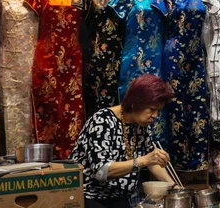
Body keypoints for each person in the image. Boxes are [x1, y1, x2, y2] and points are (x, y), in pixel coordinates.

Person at [70, 74, 175, 208]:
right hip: (88, 196)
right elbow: (101, 171)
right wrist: (144, 160)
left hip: (119, 197)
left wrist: (175, 187)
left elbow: (152, 162)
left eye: (158, 111)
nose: (155, 116)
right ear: (136, 102)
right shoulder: (102, 121)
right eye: (152, 110)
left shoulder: (140, 125)